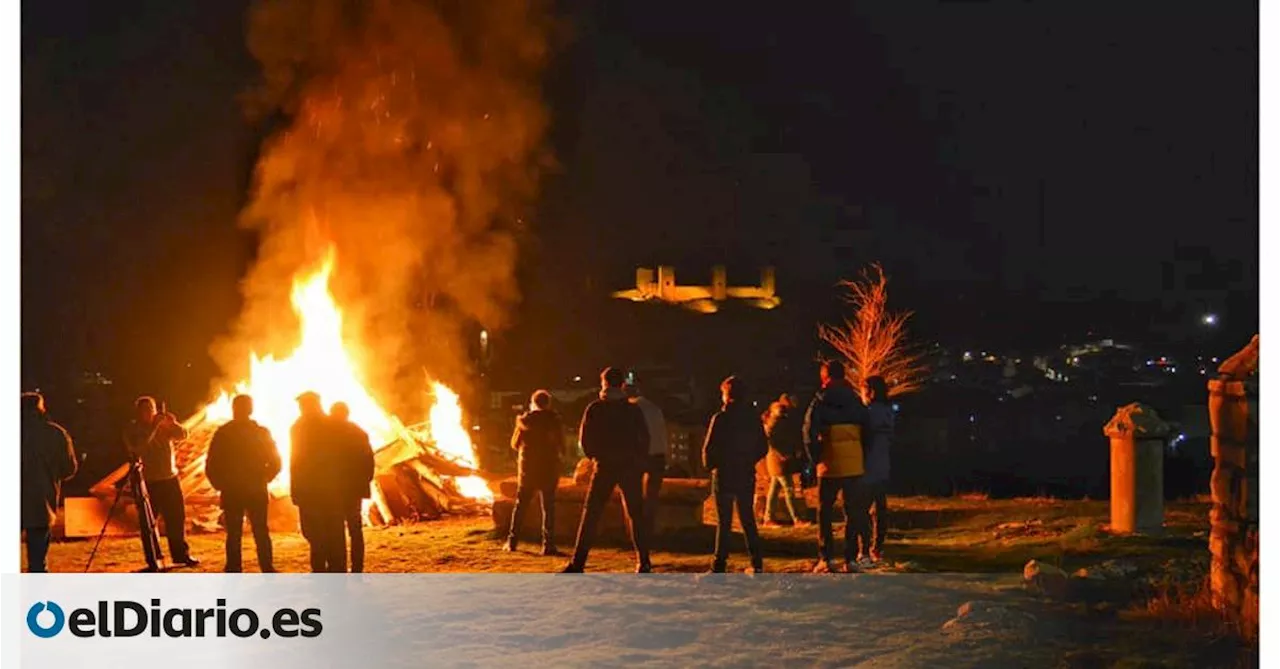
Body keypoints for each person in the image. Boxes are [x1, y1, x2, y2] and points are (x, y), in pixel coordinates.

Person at [561, 367, 652, 573]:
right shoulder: (632, 409)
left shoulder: (596, 408)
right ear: (621, 384)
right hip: (629, 466)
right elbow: (644, 437)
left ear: (604, 384)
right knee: (635, 514)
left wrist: (595, 456)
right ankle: (644, 561)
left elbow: (585, 439)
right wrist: (637, 458)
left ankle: (578, 562)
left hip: (604, 466)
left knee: (591, 513)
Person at [802, 360, 870, 573]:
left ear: (825, 377)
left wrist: (815, 459)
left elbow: (808, 434)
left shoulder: (819, 402)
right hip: (854, 464)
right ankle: (850, 559)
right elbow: (868, 432)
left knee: (825, 512)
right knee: (853, 512)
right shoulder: (856, 401)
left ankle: (826, 557)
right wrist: (862, 457)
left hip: (828, 463)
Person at [205, 394, 280, 573]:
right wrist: (265, 478)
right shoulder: (260, 432)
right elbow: (276, 461)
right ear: (251, 409)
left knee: (234, 533)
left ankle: (234, 567)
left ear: (234, 409)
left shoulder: (224, 433)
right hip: (255, 488)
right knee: (260, 531)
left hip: (233, 490)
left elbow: (211, 464)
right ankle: (267, 567)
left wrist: (220, 484)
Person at [703, 376, 769, 573]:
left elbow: (709, 448)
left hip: (724, 473)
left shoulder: (721, 419)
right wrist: (749, 460)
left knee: (724, 522)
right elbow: (762, 447)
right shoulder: (752, 418)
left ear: (726, 395)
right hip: (745, 472)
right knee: (747, 518)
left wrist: (712, 465)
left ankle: (719, 563)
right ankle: (756, 561)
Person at [124, 396, 199, 567]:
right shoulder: (133, 430)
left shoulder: (164, 427)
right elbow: (138, 449)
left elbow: (183, 435)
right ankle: (153, 559)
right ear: (138, 412)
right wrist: (154, 428)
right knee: (148, 523)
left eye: (151, 409)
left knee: (176, 518)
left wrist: (174, 424)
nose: (149, 413)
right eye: (145, 410)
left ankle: (181, 555)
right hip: (147, 482)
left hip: (169, 479)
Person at [20, 392, 78, 572]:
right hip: (41, 503)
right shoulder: (56, 434)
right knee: (37, 563)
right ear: (41, 409)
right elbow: (69, 468)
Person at [290, 391, 346, 573]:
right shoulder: (332, 424)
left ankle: (320, 570)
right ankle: (337, 570)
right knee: (334, 531)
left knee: (314, 533)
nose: (300, 408)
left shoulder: (299, 427)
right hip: (332, 489)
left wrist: (296, 491)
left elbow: (296, 461)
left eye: (302, 405)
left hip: (310, 490)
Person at [505, 390, 566, 556]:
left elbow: (514, 444)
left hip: (528, 470)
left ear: (533, 403)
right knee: (548, 507)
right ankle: (548, 545)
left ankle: (512, 541)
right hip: (549, 468)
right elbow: (562, 445)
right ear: (548, 403)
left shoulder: (525, 421)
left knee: (521, 506)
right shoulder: (554, 420)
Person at [330, 402, 375, 572]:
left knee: (336, 530)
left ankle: (338, 567)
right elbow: (368, 460)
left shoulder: (328, 434)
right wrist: (365, 481)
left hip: (335, 488)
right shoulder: (358, 433)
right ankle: (357, 567)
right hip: (354, 488)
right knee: (355, 529)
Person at [625, 380, 668, 540]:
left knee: (633, 498)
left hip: (640, 455)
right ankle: (650, 532)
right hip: (659, 455)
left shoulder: (630, 408)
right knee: (652, 497)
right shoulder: (654, 408)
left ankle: (634, 534)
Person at [860, 376, 894, 565]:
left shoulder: (867, 413)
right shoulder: (888, 412)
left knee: (862, 511)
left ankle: (864, 550)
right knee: (880, 510)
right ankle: (877, 548)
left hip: (866, 468)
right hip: (883, 466)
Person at [761, 393, 807, 527]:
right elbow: (772, 441)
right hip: (779, 460)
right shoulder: (777, 421)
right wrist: (782, 454)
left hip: (777, 459)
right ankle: (796, 519)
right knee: (789, 488)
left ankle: (768, 518)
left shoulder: (778, 420)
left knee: (774, 489)